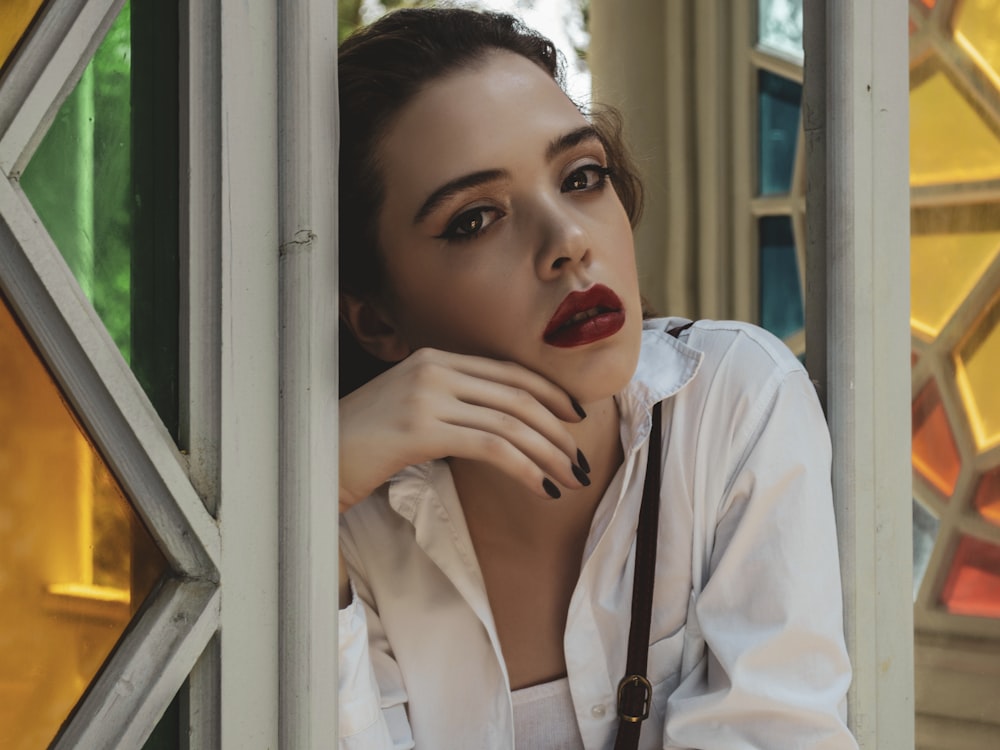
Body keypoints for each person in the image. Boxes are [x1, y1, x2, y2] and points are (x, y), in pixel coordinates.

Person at [336, 8, 857, 749]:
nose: (569, 242)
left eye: (581, 177)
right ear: (377, 320)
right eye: (475, 219)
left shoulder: (732, 404)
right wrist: (315, 489)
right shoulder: (347, 526)